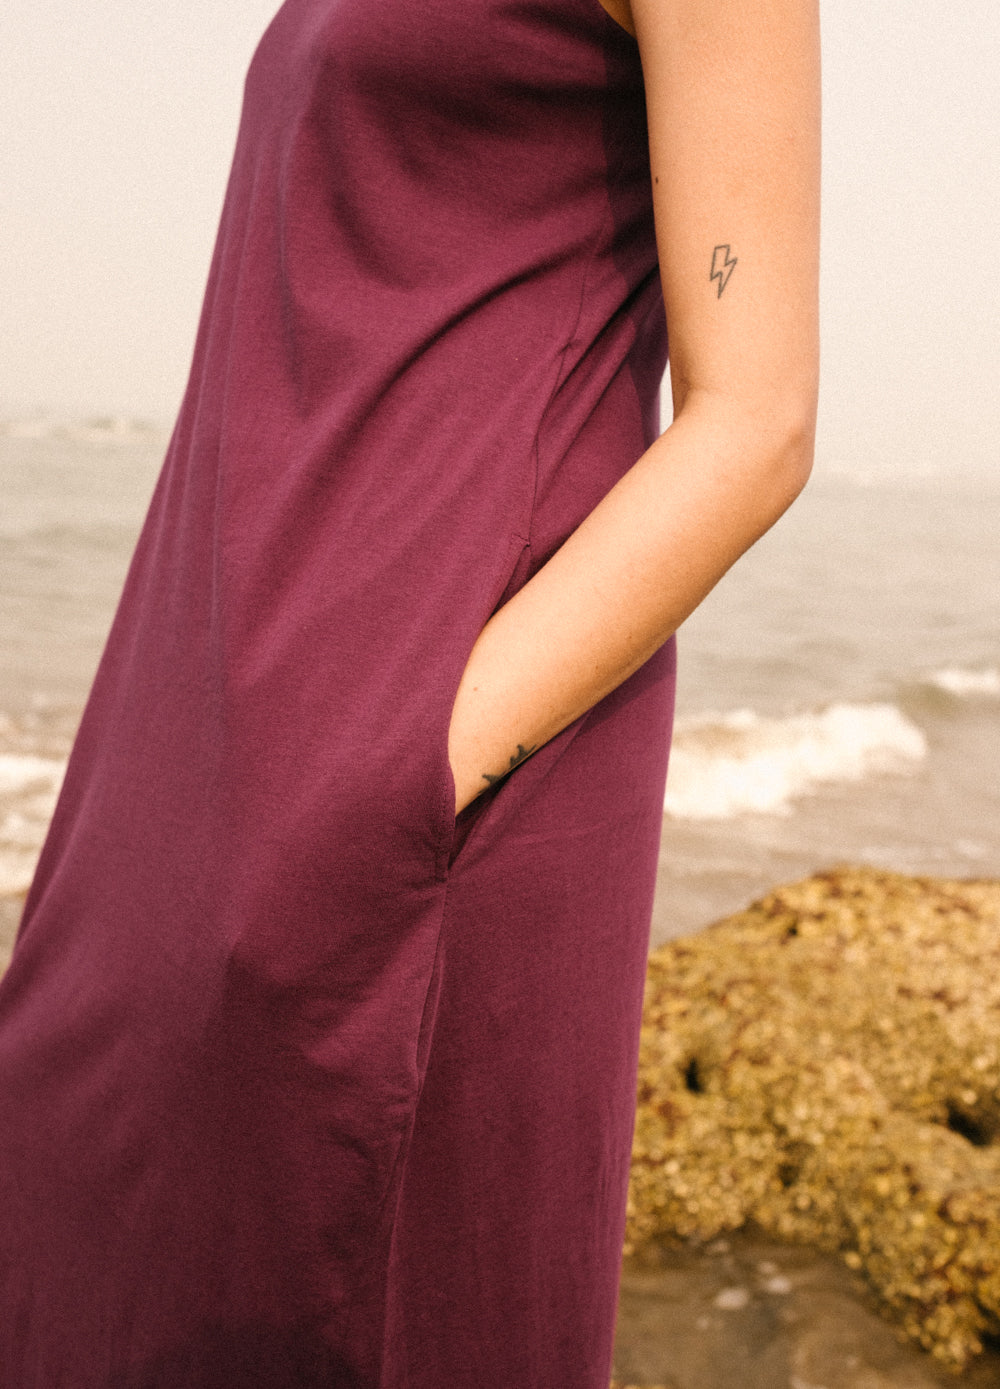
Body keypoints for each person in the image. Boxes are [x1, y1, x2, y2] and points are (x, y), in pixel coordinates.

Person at [0, 0, 819, 1384]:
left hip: (430, 748)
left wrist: (413, 756)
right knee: (86, 1219)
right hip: (198, 719)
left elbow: (758, 418)